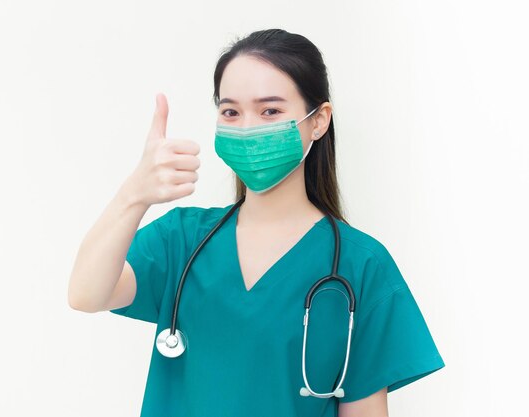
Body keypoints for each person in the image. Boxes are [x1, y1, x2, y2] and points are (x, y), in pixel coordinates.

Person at [68, 28, 445, 417]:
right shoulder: (181, 239)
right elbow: (86, 294)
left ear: (319, 121)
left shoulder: (360, 265)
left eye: (270, 111)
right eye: (231, 111)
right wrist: (134, 195)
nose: (247, 128)